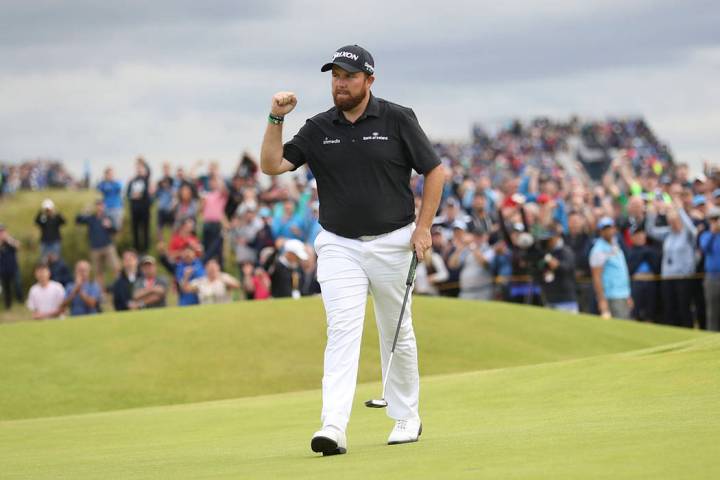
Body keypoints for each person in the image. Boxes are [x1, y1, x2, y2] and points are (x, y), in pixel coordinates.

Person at [260, 45, 444, 454]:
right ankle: (333, 426)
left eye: (348, 76)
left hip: (394, 241)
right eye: (335, 76)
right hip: (339, 244)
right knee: (342, 330)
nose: (340, 84)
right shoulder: (318, 127)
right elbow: (272, 165)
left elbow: (434, 170)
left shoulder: (397, 118)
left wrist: (424, 227)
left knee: (397, 331)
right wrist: (276, 117)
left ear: (369, 81)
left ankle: (405, 416)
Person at [646, 199, 698, 328]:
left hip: (683, 277)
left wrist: (679, 210)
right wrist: (651, 214)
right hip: (668, 277)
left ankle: (687, 331)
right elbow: (651, 231)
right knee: (669, 308)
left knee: (683, 308)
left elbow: (693, 230)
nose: (672, 223)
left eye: (674, 220)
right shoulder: (668, 234)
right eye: (670, 221)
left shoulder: (686, 234)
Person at [589, 217, 633, 319]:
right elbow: (596, 277)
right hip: (611, 296)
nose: (609, 231)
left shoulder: (616, 245)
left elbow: (622, 271)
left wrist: (628, 294)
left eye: (610, 228)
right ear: (601, 231)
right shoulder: (598, 250)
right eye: (605, 229)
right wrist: (602, 300)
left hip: (623, 294)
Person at [76, 200, 120, 290]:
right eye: (98, 205)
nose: (99, 207)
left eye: (101, 205)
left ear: (104, 206)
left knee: (116, 267)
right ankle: (101, 292)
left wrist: (110, 226)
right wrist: (84, 211)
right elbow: (78, 220)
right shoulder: (91, 218)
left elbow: (115, 230)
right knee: (98, 272)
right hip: (95, 248)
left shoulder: (108, 217)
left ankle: (119, 289)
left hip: (108, 246)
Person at [626, 224, 661, 322]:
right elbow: (630, 269)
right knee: (635, 311)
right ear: (632, 238)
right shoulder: (630, 252)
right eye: (636, 235)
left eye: (641, 234)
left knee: (650, 310)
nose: (639, 237)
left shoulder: (652, 250)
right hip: (636, 283)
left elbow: (656, 266)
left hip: (650, 282)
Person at [699, 207, 720, 331]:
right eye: (713, 219)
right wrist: (713, 233)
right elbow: (704, 248)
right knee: (712, 312)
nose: (715, 222)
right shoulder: (706, 235)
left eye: (717, 218)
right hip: (711, 278)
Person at [126, 157, 152, 253]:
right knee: (135, 230)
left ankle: (146, 250)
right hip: (134, 209)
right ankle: (136, 250)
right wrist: (132, 195)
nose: (139, 169)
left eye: (141, 167)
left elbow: (149, 171)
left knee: (145, 230)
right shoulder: (132, 180)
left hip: (144, 209)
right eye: (137, 167)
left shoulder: (146, 179)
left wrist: (143, 161)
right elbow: (128, 194)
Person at [0, 224, 22, 310]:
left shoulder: (10, 241)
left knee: (17, 285)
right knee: (6, 288)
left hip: (13, 268)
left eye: (2, 231)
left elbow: (18, 247)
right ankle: (8, 306)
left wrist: (8, 240)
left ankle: (20, 302)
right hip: (2, 270)